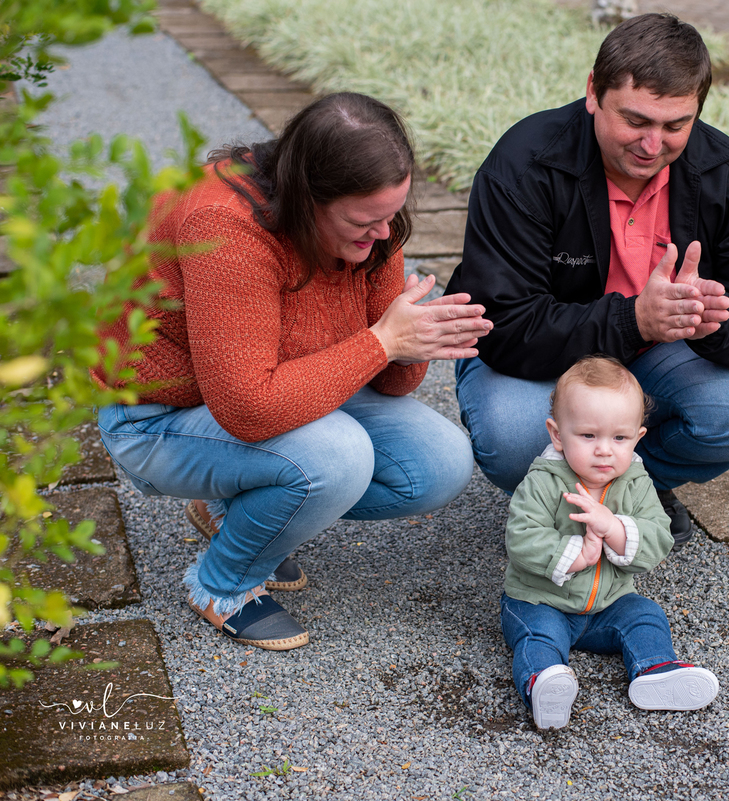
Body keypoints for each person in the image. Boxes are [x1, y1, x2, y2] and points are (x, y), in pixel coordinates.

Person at [94, 93, 492, 651]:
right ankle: (223, 585)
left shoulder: (375, 225)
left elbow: (391, 382)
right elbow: (249, 409)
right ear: (307, 199)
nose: (384, 234)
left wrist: (408, 346)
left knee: (439, 464)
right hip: (157, 417)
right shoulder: (227, 229)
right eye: (364, 221)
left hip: (278, 379)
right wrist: (383, 341)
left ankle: (233, 509)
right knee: (338, 457)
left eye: (391, 215)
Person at [446, 13, 729, 548]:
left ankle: (631, 487)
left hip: (659, 355)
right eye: (635, 120)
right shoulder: (524, 164)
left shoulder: (727, 173)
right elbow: (501, 323)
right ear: (593, 92)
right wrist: (634, 319)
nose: (652, 144)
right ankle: (570, 492)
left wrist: (718, 321)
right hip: (538, 357)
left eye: (675, 126)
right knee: (513, 435)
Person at [502, 356, 719, 729]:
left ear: (637, 437)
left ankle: (655, 669)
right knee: (538, 636)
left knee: (645, 615)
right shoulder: (543, 481)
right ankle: (544, 682)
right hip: (540, 600)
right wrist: (576, 555)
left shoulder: (636, 483)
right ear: (557, 434)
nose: (604, 449)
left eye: (619, 438)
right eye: (588, 436)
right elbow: (522, 537)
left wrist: (615, 529)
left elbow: (658, 536)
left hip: (608, 605)